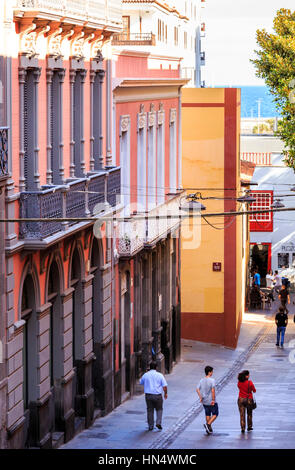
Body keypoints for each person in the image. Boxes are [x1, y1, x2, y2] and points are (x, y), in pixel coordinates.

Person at [139, 361, 168, 431]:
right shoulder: (160, 375)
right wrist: (165, 393)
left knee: (150, 410)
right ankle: (158, 422)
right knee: (159, 409)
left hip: (148, 395)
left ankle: (151, 426)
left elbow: (141, 382)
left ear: (149, 367)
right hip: (158, 395)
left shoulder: (146, 375)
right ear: (156, 367)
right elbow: (164, 386)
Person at [196, 365, 219, 435]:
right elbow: (213, 390)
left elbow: (197, 389)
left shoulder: (201, 380)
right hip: (210, 400)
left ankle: (209, 428)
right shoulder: (212, 380)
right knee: (215, 414)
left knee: (207, 413)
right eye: (211, 372)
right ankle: (208, 424)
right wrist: (213, 399)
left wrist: (200, 397)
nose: (212, 373)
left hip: (204, 400)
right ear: (209, 372)